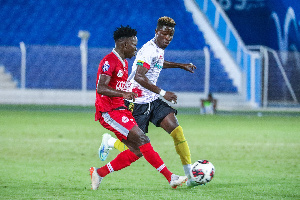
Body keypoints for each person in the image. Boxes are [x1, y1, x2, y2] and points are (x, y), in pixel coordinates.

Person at [98, 17, 197, 187]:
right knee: (136, 149)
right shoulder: (147, 50)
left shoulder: (158, 49)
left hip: (152, 100)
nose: (168, 38)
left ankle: (190, 177)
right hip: (136, 103)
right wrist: (163, 93)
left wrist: (180, 65)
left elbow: (158, 63)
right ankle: (110, 142)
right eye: (165, 34)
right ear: (156, 32)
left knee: (177, 131)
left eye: (171, 35)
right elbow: (139, 76)